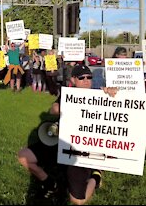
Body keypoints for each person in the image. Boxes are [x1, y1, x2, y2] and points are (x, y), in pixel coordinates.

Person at [18, 65, 117, 205]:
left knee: (77, 201)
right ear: (73, 80)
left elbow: (119, 105)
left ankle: (96, 175)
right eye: (82, 78)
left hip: (83, 148)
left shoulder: (100, 95)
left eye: (89, 77)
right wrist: (60, 107)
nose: (86, 80)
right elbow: (53, 110)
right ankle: (50, 184)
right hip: (62, 142)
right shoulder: (67, 95)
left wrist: (112, 93)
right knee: (24, 157)